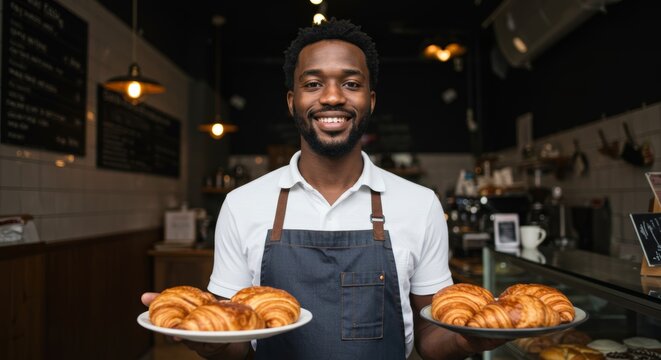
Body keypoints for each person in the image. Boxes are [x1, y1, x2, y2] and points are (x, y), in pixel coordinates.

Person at [142, 18, 504, 359]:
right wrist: (206, 341)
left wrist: (467, 338)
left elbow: (430, 336)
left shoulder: (420, 205)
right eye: (313, 84)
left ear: (371, 101)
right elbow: (231, 338)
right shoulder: (241, 204)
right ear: (291, 101)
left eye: (351, 83)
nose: (332, 97)